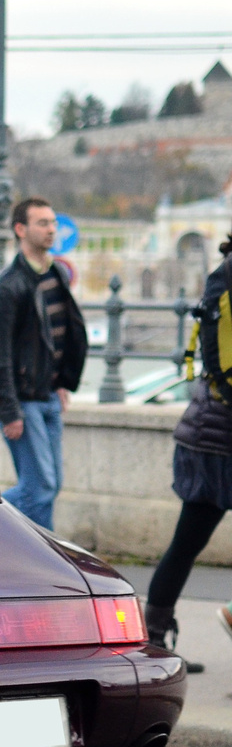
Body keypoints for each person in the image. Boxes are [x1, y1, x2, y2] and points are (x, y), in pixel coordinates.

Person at [145, 231, 232, 670]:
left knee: (185, 544)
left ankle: (155, 639)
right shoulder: (227, 281)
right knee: (186, 543)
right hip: (219, 440)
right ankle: (154, 639)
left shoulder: (223, 277)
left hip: (210, 433)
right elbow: (225, 366)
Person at [0, 197, 87, 530]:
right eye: (42, 223)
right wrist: (8, 410)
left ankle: (34, 558)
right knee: (38, 488)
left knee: (49, 487)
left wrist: (61, 383)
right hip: (21, 398)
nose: (51, 230)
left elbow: (60, 335)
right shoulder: (7, 286)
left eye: (53, 223)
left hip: (47, 394)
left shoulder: (54, 273)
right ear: (20, 229)